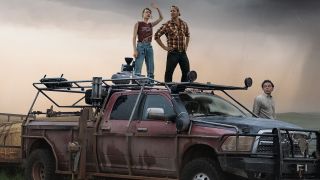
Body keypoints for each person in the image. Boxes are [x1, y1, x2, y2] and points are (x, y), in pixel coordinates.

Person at [154, 5, 190, 82]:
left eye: (174, 11)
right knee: (169, 73)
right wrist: (164, 47)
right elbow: (156, 36)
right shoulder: (168, 24)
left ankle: (181, 91)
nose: (172, 12)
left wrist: (186, 46)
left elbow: (188, 35)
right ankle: (169, 91)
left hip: (183, 53)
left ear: (178, 12)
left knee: (187, 73)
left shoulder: (184, 24)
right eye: (171, 11)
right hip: (173, 53)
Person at [132, 2, 163, 80]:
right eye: (146, 12)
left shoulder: (150, 25)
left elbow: (161, 18)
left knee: (151, 68)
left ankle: (150, 86)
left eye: (149, 12)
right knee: (138, 68)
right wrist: (135, 50)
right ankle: (136, 85)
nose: (148, 14)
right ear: (143, 14)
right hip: (140, 46)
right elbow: (134, 37)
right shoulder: (138, 24)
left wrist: (157, 8)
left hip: (149, 47)